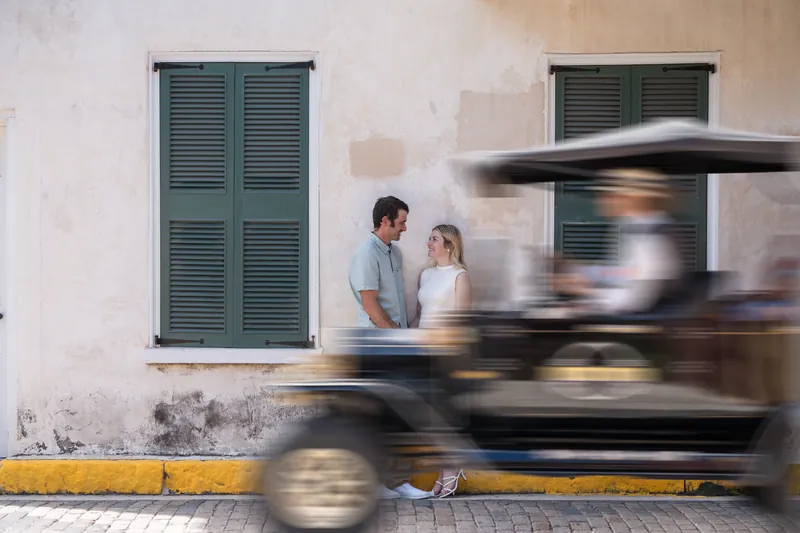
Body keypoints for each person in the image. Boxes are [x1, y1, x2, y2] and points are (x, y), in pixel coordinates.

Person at [348, 196, 431, 500]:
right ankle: (379, 482)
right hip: (379, 346)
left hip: (397, 345)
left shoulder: (394, 254)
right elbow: (371, 305)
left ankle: (396, 481)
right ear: (385, 221)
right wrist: (397, 337)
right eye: (402, 222)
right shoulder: (366, 254)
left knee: (400, 415)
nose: (405, 228)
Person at [557, 168, 684, 316]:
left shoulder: (653, 235)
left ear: (631, 198)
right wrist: (579, 271)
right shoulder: (632, 225)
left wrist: (589, 292)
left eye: (609, 195)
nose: (599, 200)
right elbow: (627, 272)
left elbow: (637, 298)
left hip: (636, 325)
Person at [411, 224, 471, 498]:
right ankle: (446, 465)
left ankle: (449, 466)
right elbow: (419, 315)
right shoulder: (425, 275)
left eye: (434, 239)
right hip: (421, 353)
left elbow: (462, 323)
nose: (428, 243)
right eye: (429, 238)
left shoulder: (460, 276)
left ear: (449, 245)